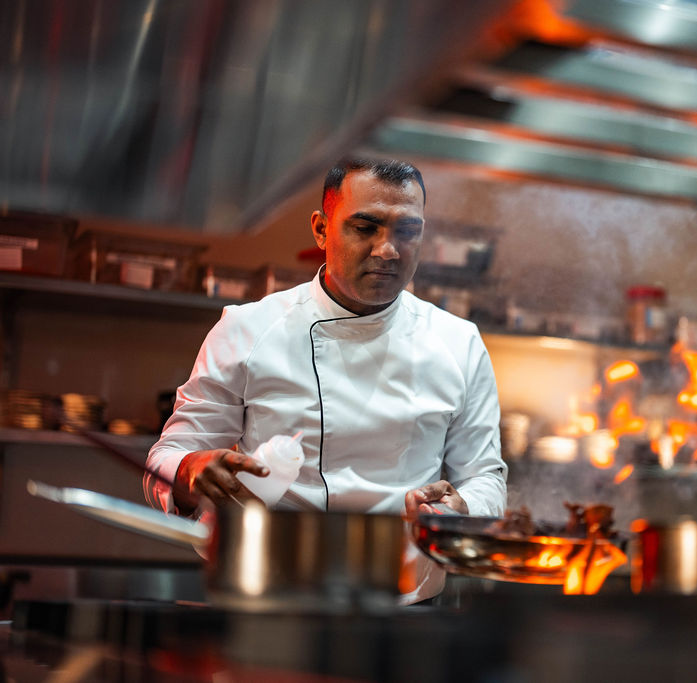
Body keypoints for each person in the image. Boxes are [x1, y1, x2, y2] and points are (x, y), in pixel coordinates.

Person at [144, 156, 507, 604]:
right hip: (263, 591)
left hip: (405, 601)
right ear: (321, 229)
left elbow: (486, 478)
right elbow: (168, 457)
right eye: (365, 227)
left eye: (407, 231)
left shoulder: (459, 343)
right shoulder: (248, 329)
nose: (388, 250)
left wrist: (461, 508)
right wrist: (190, 470)